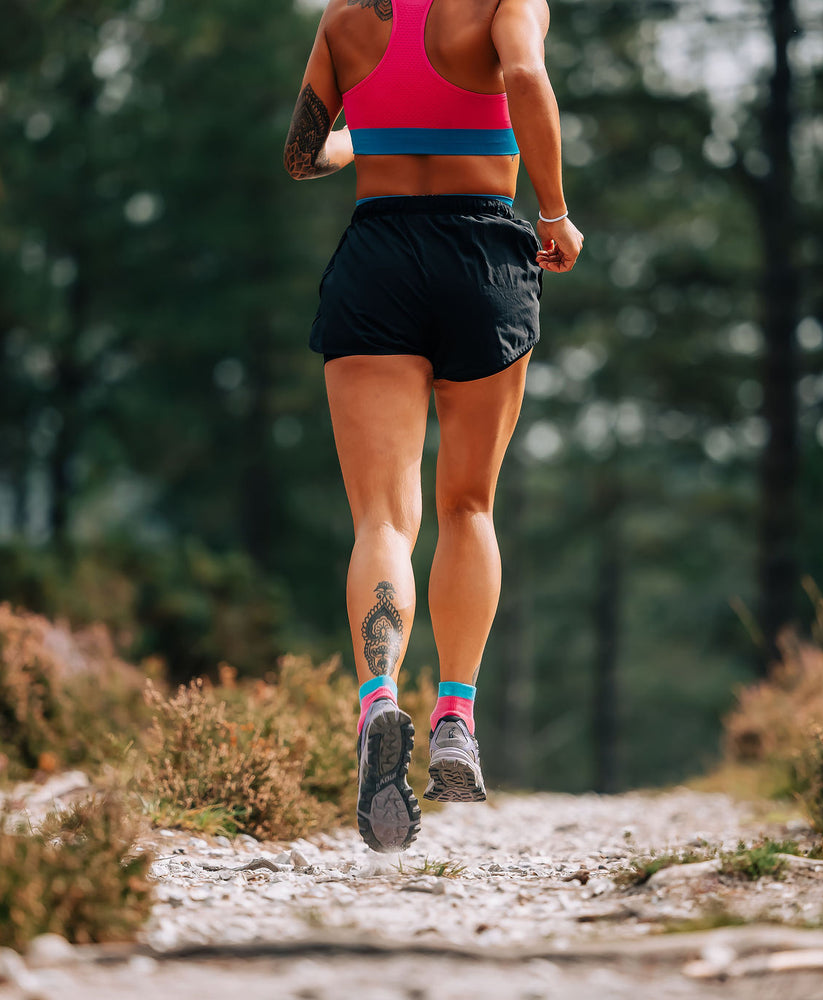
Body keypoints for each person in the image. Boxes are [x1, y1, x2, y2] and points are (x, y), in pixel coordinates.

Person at [284, 0, 583, 853]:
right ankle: (455, 714)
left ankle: (379, 699)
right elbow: (524, 76)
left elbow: (305, 152)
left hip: (377, 255)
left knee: (382, 518)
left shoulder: (346, 17)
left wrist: (362, 141)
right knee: (469, 507)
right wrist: (554, 212)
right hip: (480, 251)